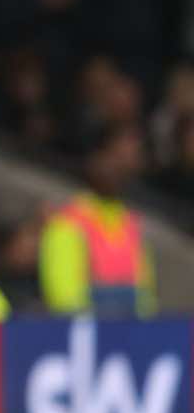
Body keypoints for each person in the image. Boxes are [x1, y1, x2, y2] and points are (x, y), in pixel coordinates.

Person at [40, 125, 155, 317]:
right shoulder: (67, 222)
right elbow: (63, 300)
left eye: (126, 162)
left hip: (129, 339)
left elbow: (146, 299)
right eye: (113, 157)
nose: (118, 168)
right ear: (94, 159)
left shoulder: (132, 225)